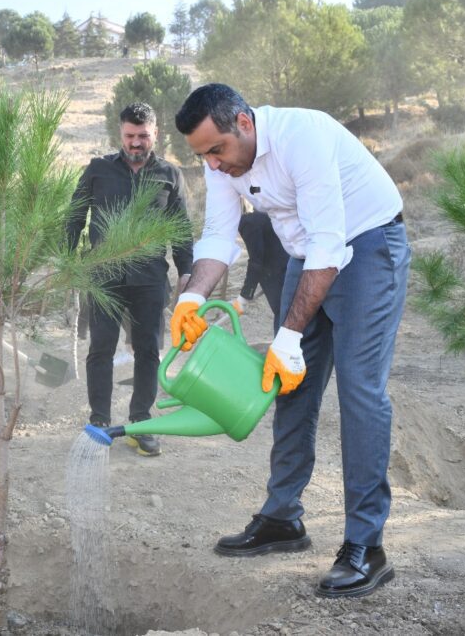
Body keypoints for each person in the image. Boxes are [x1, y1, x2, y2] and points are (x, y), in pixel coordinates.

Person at [170, 84, 409, 598]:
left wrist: (289, 335)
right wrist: (190, 299)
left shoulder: (304, 135)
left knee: (360, 392)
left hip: (367, 246)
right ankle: (283, 518)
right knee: (291, 384)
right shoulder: (221, 162)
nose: (212, 164)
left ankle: (367, 547)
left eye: (217, 150)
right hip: (307, 254)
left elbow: (330, 242)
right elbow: (219, 235)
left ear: (244, 123)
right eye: (202, 155)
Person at [67, 102, 194, 457]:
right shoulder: (97, 169)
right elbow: (75, 216)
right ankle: (99, 422)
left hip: (150, 278)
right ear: (120, 133)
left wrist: (186, 272)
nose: (136, 142)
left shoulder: (170, 174)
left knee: (148, 350)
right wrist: (67, 260)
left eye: (143, 135)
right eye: (129, 135)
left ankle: (140, 422)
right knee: (101, 348)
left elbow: (181, 231)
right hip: (103, 275)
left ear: (155, 133)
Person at [235, 209, 289, 320]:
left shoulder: (248, 223)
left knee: (283, 318)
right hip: (288, 267)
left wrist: (244, 296)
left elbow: (256, 261)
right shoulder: (262, 215)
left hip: (279, 275)